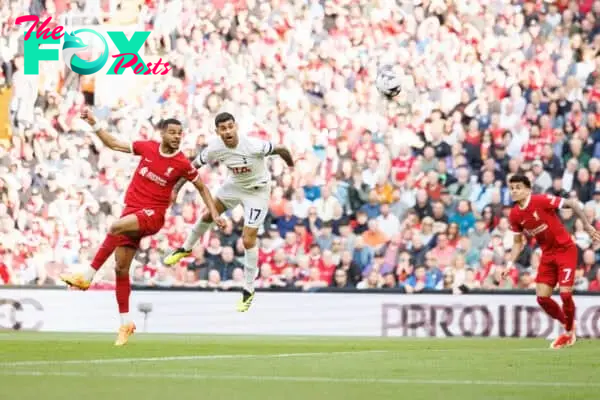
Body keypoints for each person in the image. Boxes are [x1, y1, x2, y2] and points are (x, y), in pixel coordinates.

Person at [60, 109, 225, 346]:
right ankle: (126, 322)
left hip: (152, 216)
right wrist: (94, 123)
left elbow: (202, 188)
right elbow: (114, 144)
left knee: (115, 227)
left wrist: (215, 213)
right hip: (132, 210)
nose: (177, 136)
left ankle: (87, 276)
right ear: (162, 134)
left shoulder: (181, 163)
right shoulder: (146, 147)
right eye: (172, 132)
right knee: (120, 269)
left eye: (180, 133)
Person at [164, 112, 294, 312]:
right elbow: (192, 167)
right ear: (217, 131)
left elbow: (282, 149)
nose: (227, 131)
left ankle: (249, 289)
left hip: (257, 191)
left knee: (248, 239)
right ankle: (185, 248)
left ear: (236, 127)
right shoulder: (215, 147)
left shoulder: (253, 145)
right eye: (223, 129)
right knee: (208, 215)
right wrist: (176, 188)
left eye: (230, 127)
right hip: (234, 186)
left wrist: (291, 166)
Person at [507, 174, 600, 349]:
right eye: (512, 188)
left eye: (518, 187)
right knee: (542, 299)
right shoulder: (514, 215)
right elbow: (518, 243)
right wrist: (509, 264)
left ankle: (568, 333)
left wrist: (587, 225)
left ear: (528, 189)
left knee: (565, 294)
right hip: (547, 255)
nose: (514, 191)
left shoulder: (541, 200)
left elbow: (571, 204)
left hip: (565, 250)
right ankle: (569, 325)